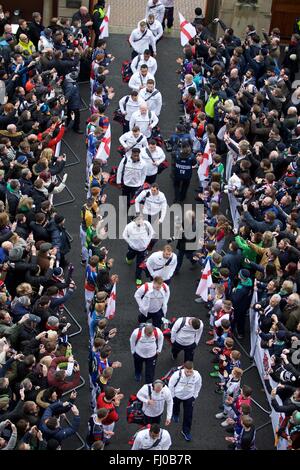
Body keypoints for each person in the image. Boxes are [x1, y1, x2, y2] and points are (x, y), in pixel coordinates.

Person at [168, 361, 202, 441]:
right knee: (175, 406)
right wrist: (172, 396)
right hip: (177, 396)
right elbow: (171, 385)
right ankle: (176, 414)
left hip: (189, 398)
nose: (189, 373)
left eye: (191, 371)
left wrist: (195, 396)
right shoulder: (177, 374)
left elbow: (198, 385)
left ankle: (186, 431)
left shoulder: (197, 375)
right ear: (184, 369)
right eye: (187, 371)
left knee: (188, 415)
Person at [122, 215, 154, 284]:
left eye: (141, 220)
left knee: (139, 264)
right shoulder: (129, 226)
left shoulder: (147, 224)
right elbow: (124, 235)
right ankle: (129, 258)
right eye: (138, 220)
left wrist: (148, 242)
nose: (140, 222)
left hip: (142, 249)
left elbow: (152, 232)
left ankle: (138, 277)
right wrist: (130, 243)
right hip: (133, 248)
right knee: (130, 256)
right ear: (134, 221)